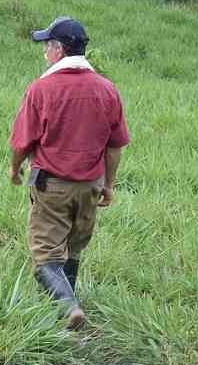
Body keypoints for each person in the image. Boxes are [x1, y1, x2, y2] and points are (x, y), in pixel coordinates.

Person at [8, 16, 130, 330]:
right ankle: (66, 311)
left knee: (46, 254)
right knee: (74, 247)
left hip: (52, 185)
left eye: (47, 46)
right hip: (90, 185)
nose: (44, 53)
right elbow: (115, 146)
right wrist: (109, 184)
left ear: (58, 49)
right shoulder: (107, 89)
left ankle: (68, 308)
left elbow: (23, 141)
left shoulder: (42, 89)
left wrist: (14, 169)